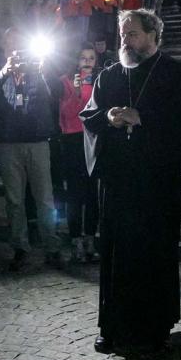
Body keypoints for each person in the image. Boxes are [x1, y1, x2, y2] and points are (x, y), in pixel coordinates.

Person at [80, 9, 181, 353]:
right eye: (122, 34)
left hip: (156, 185)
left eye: (132, 34)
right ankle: (112, 325)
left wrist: (143, 119)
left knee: (153, 253)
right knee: (115, 254)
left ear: (153, 35)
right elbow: (89, 116)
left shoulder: (177, 76)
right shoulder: (108, 76)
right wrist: (108, 116)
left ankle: (155, 326)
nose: (125, 41)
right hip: (116, 184)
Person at [0, 28, 60, 268]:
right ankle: (19, 247)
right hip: (8, 142)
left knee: (45, 198)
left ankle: (52, 247)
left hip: (37, 141)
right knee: (14, 199)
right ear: (5, 45)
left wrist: (44, 70)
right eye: (11, 42)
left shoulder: (38, 63)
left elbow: (56, 94)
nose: (16, 47)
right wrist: (4, 71)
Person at [57, 45, 100, 263]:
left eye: (91, 58)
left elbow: (98, 109)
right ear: (76, 60)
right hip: (73, 140)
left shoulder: (100, 81)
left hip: (93, 139)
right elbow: (67, 112)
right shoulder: (65, 80)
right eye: (83, 57)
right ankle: (75, 240)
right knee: (75, 194)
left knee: (92, 193)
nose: (87, 62)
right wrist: (75, 92)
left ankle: (90, 238)